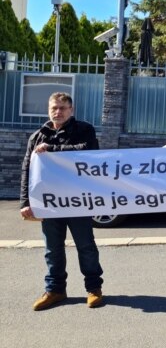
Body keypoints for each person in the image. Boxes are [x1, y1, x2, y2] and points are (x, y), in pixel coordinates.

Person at [20, 92, 104, 310]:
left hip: (78, 202)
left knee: (86, 246)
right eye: (54, 108)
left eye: (62, 108)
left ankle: (94, 289)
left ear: (71, 110)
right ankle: (55, 290)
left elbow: (88, 151)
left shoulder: (84, 130)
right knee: (52, 249)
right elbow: (27, 170)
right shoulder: (37, 136)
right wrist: (25, 203)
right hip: (49, 204)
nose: (58, 112)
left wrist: (52, 149)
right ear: (48, 110)